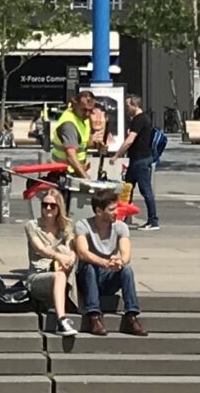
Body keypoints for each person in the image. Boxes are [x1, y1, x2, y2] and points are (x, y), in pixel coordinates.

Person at [73, 199, 147, 335]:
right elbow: (83, 253)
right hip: (87, 278)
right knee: (89, 267)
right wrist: (104, 262)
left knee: (126, 270)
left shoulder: (120, 227)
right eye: (111, 210)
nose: (116, 212)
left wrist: (119, 261)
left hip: (108, 277)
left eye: (116, 208)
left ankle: (131, 316)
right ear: (99, 211)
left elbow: (126, 254)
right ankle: (94, 316)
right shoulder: (83, 225)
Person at [25, 188, 79, 335]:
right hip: (38, 275)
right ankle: (61, 320)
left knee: (65, 253)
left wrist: (71, 256)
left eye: (52, 205)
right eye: (45, 205)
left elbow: (71, 249)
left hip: (60, 270)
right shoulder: (32, 225)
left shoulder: (67, 225)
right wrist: (59, 257)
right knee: (60, 270)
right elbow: (41, 249)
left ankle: (62, 303)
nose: (48, 208)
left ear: (59, 207)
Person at [121, 93, 162, 231]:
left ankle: (153, 221)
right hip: (136, 159)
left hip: (140, 160)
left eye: (128, 105)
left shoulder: (140, 119)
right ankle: (122, 217)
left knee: (145, 190)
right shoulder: (140, 119)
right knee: (127, 189)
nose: (126, 108)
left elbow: (130, 140)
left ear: (135, 105)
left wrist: (117, 155)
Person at [52, 86, 101, 180]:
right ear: (75, 104)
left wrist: (96, 144)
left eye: (90, 110)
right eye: (84, 110)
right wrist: (86, 178)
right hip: (63, 173)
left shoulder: (83, 118)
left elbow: (84, 143)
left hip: (75, 172)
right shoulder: (69, 124)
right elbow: (71, 157)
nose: (88, 114)